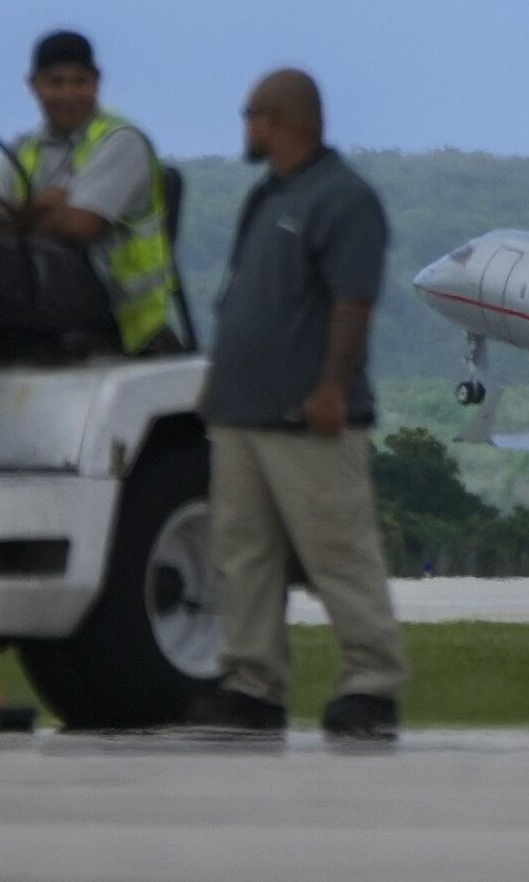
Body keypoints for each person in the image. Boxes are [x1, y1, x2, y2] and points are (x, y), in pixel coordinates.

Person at [194, 68, 407, 739]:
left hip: (307, 418)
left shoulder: (342, 198)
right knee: (243, 559)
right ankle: (252, 685)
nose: (245, 128)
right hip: (242, 416)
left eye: (251, 114)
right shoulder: (266, 197)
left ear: (283, 118)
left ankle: (371, 685)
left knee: (338, 552)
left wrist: (332, 388)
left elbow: (353, 302)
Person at [0, 29, 178, 379]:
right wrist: (41, 204)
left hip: (106, 295)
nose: (68, 94)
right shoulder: (24, 147)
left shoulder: (120, 142)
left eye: (80, 82)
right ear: (34, 86)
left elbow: (81, 227)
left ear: (97, 82)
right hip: (40, 276)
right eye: (55, 83)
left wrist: (15, 215)